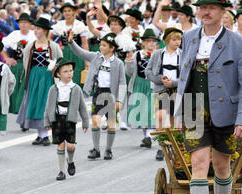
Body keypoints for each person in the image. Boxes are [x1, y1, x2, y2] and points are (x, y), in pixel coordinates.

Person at [174, 0, 242, 194]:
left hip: (226, 112)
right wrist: (178, 110)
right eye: (202, 7)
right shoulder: (188, 37)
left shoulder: (240, 43)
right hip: (193, 107)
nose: (205, 12)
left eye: (211, 8)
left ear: (223, 12)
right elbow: (184, 77)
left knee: (221, 166)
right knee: (198, 164)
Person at [68, 32, 126, 161]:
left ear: (112, 48)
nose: (101, 47)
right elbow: (81, 53)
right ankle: (96, 149)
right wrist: (71, 42)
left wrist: (119, 100)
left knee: (111, 123)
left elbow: (122, 83)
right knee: (95, 120)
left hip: (112, 95)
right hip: (98, 92)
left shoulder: (118, 63)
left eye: (104, 45)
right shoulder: (96, 57)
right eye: (101, 44)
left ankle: (108, 150)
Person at [16, 15, 63, 146]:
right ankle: (40, 134)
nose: (35, 31)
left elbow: (61, 61)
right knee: (34, 103)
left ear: (45, 30)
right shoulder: (30, 46)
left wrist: (55, 68)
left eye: (38, 28)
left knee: (45, 103)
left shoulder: (53, 46)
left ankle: (45, 135)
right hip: (34, 76)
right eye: (35, 28)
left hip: (48, 76)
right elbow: (26, 62)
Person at [44, 58, 89, 181]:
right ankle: (61, 171)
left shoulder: (76, 88)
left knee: (70, 146)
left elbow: (82, 107)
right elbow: (48, 106)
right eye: (65, 71)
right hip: (57, 119)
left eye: (71, 71)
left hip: (70, 120)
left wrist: (85, 121)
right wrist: (47, 121)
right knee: (60, 145)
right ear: (58, 74)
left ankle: (71, 160)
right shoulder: (54, 88)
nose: (69, 73)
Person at [145, 27, 182, 161]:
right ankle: (161, 147)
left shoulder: (182, 55)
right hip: (162, 90)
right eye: (174, 39)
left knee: (175, 120)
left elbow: (186, 76)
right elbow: (148, 72)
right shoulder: (158, 54)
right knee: (161, 115)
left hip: (177, 90)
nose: (177, 42)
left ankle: (176, 146)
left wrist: (174, 83)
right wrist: (159, 80)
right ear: (167, 41)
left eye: (179, 39)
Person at [125, 28, 159, 148]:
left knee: (150, 110)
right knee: (141, 110)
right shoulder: (137, 54)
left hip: (152, 84)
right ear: (143, 42)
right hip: (139, 83)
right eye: (148, 41)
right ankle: (146, 136)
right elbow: (130, 72)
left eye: (153, 41)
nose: (151, 43)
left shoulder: (159, 54)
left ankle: (149, 136)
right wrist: (128, 62)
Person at [1, 13, 36, 116]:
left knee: (26, 88)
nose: (24, 25)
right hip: (17, 64)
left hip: (30, 65)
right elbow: (2, 48)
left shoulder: (34, 35)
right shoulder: (14, 35)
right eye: (21, 23)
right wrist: (7, 58)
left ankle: (24, 110)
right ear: (19, 24)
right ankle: (15, 108)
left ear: (30, 24)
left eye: (26, 23)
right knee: (14, 87)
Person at [51, 3, 89, 86]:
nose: (67, 13)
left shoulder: (80, 25)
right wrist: (57, 47)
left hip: (77, 53)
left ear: (73, 12)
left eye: (69, 11)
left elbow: (84, 43)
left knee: (77, 75)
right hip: (64, 53)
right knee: (63, 74)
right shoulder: (59, 25)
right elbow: (48, 39)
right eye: (65, 11)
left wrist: (87, 60)